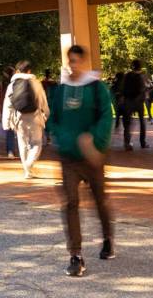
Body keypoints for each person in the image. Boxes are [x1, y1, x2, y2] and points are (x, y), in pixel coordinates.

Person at [48, 45, 114, 277]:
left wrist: (93, 141)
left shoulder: (97, 88)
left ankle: (107, 238)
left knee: (99, 201)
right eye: (70, 61)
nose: (73, 65)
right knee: (71, 203)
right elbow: (53, 119)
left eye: (77, 61)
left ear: (84, 62)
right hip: (68, 158)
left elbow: (107, 116)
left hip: (93, 157)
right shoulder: (61, 90)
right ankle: (75, 255)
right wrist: (65, 138)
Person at [2, 61, 49, 179]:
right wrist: (47, 114)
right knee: (37, 143)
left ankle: (27, 171)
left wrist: (6, 123)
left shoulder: (12, 85)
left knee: (22, 144)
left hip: (19, 118)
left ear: (18, 71)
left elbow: (8, 105)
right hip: (35, 117)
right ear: (29, 70)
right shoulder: (36, 83)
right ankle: (29, 165)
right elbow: (43, 100)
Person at [121, 60, 149, 151]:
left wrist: (124, 98)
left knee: (128, 123)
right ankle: (143, 142)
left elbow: (123, 88)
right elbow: (143, 89)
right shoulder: (142, 76)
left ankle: (127, 142)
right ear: (140, 67)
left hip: (128, 101)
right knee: (142, 122)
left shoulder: (127, 75)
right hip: (139, 102)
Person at [0, 66, 17, 159]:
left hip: (7, 108)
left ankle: (10, 151)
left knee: (9, 131)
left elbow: (2, 96)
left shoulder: (5, 83)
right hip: (17, 109)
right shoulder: (15, 83)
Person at [42, 68, 59, 144]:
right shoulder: (54, 83)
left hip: (44, 103)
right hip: (52, 103)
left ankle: (47, 136)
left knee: (45, 120)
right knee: (51, 119)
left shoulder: (42, 83)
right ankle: (49, 137)